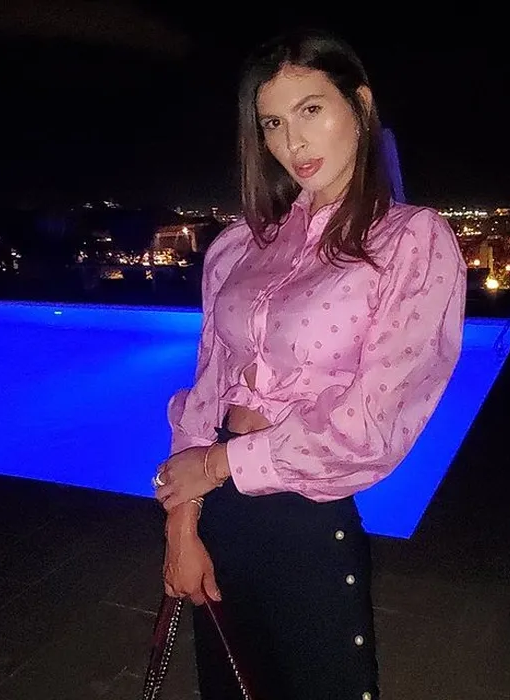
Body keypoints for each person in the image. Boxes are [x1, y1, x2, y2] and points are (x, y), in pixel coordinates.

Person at [151, 28, 467, 700]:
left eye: (311, 110)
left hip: (306, 517)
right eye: (272, 123)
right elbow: (209, 386)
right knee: (230, 687)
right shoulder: (240, 245)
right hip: (216, 512)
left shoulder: (409, 241)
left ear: (360, 104)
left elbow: (371, 426)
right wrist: (182, 524)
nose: (292, 143)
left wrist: (217, 464)